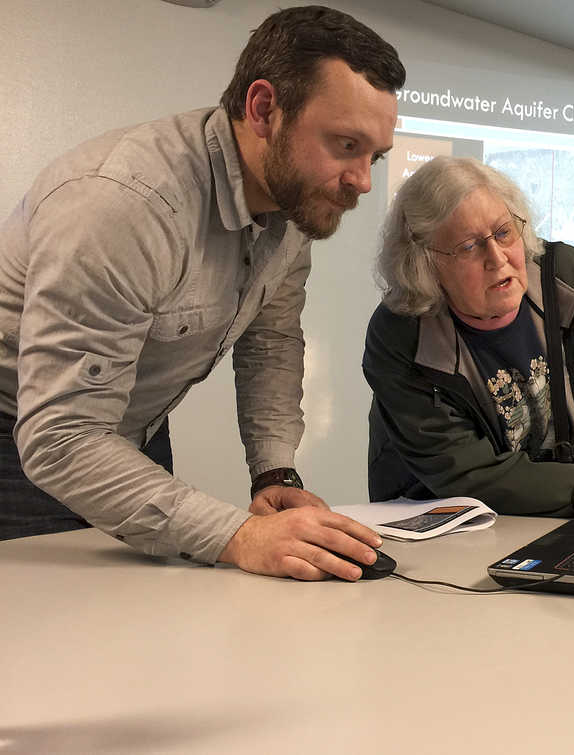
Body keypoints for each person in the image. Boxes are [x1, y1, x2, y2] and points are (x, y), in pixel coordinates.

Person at [0, 6, 405, 581]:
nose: (363, 180)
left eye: (375, 156)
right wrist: (237, 534)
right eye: (345, 145)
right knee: (42, 643)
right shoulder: (123, 206)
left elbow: (270, 342)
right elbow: (60, 437)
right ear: (264, 108)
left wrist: (274, 474)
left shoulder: (291, 206)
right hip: (23, 442)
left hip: (130, 430)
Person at [364, 157, 574, 526]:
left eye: (504, 233)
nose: (497, 258)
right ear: (425, 263)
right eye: (469, 246)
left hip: (567, 514)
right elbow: (467, 472)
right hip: (445, 522)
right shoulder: (401, 335)